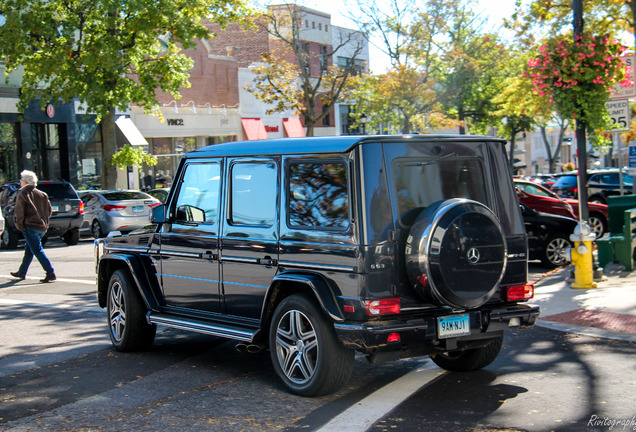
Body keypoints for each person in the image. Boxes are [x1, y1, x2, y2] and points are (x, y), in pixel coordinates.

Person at [10, 170, 56, 283]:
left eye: (21, 180)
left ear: (25, 181)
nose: (20, 182)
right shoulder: (42, 194)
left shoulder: (23, 193)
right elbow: (49, 211)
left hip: (30, 226)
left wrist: (19, 225)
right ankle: (22, 271)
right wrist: (44, 222)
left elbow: (19, 212)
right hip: (41, 227)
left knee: (37, 250)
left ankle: (50, 272)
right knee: (29, 250)